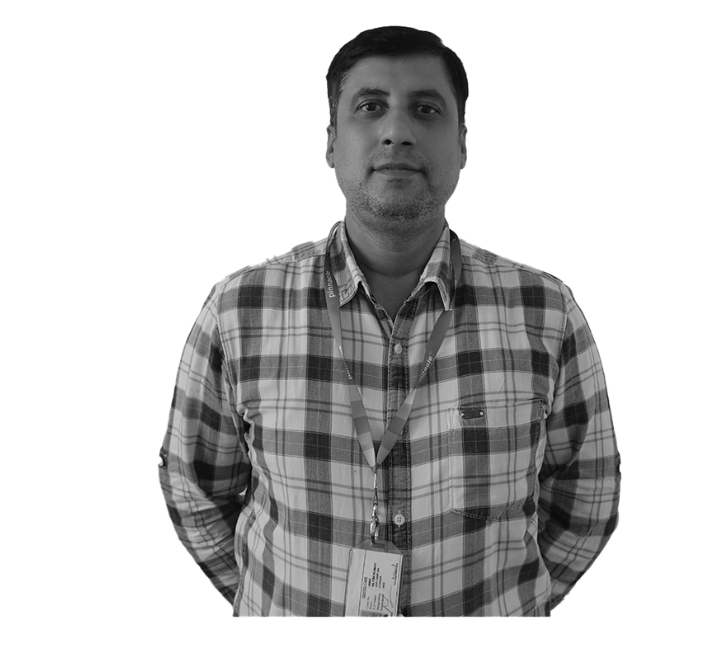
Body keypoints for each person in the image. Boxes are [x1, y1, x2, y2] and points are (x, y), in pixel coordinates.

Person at [157, 24, 622, 619]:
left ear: (464, 144)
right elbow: (195, 491)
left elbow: (587, 499)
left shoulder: (546, 312)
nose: (397, 131)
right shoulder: (238, 310)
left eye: (426, 109)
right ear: (331, 143)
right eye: (370, 106)